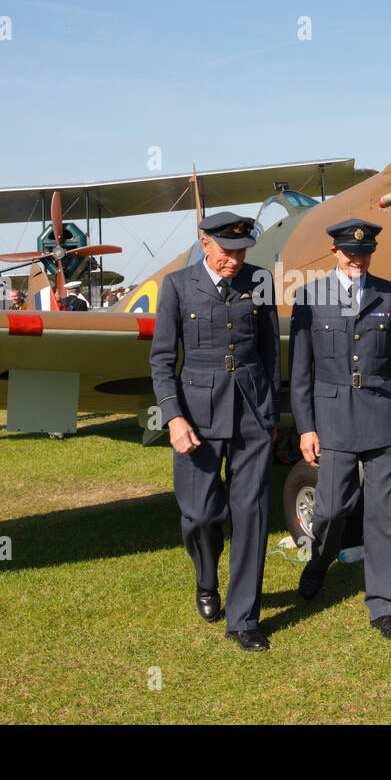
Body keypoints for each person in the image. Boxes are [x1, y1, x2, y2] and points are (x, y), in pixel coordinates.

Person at [149, 212, 279, 653]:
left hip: (252, 413)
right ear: (204, 243)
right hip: (197, 417)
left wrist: (272, 413)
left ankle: (244, 619)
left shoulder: (259, 279)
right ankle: (207, 578)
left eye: (242, 252)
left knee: (253, 515)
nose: (235, 261)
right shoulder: (177, 285)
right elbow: (162, 360)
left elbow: (269, 350)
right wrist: (173, 417)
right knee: (202, 514)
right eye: (227, 252)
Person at [290, 218, 391, 641]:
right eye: (349, 253)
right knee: (331, 509)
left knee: (388, 517)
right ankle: (318, 561)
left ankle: (382, 604)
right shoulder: (309, 298)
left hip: (385, 418)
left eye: (364, 254)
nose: (357, 260)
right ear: (335, 253)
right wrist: (306, 427)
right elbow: (301, 373)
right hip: (333, 421)